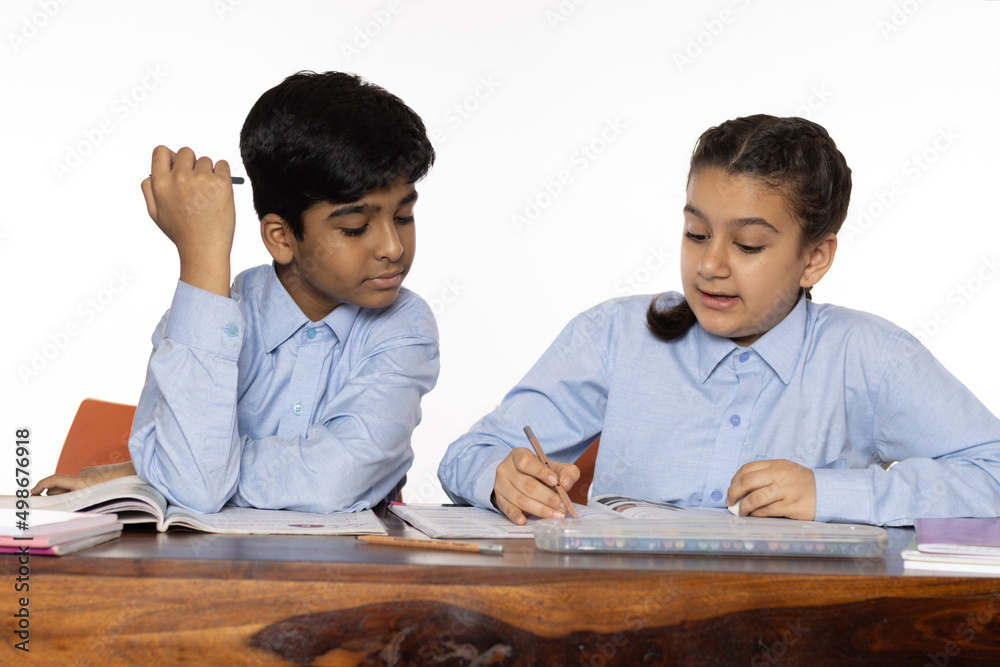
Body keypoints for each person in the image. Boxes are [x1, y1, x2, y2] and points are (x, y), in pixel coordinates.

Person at [438, 114, 1000, 527]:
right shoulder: (614, 336)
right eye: (696, 234)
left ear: (814, 259)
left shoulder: (868, 356)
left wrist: (830, 494)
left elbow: (992, 474)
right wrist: (500, 479)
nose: (709, 266)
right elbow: (469, 453)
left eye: (749, 244)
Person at [33, 71, 440, 514]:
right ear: (281, 238)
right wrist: (202, 255)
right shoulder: (199, 319)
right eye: (355, 228)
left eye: (404, 217)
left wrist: (151, 472)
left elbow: (331, 483)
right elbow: (196, 485)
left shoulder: (405, 326)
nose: (392, 248)